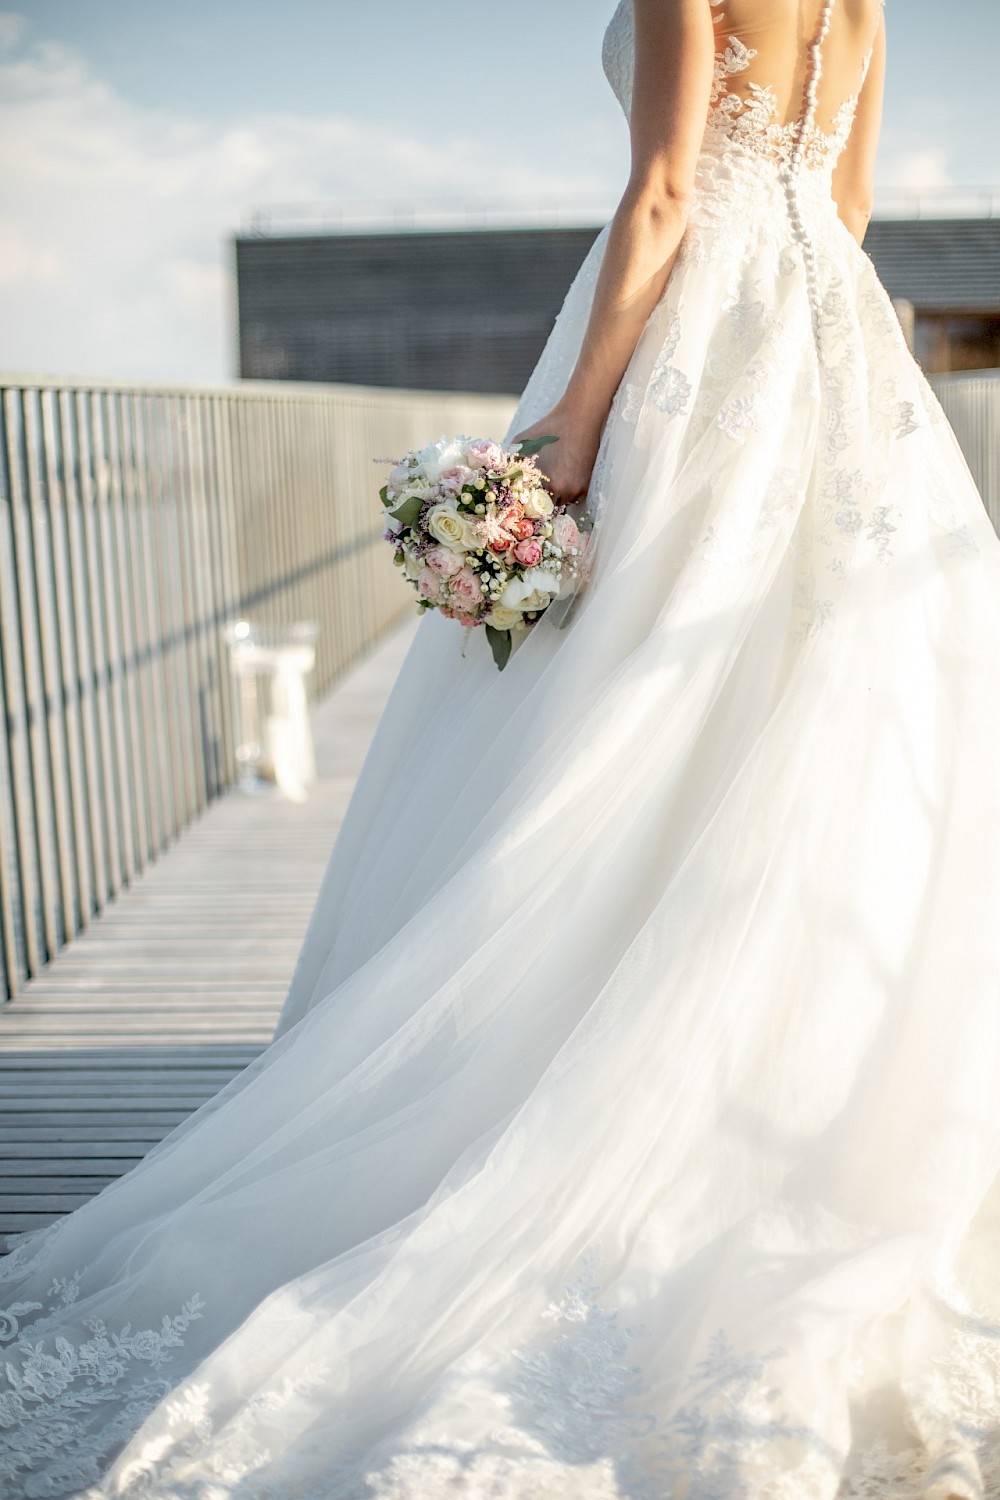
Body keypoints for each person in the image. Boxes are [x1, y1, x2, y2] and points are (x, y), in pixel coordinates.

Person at [2, 1, 999, 1495]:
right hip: (829, 353)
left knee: (609, 716)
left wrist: (570, 438)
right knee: (805, 707)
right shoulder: (860, 2)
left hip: (695, 342)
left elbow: (666, 191)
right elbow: (845, 204)